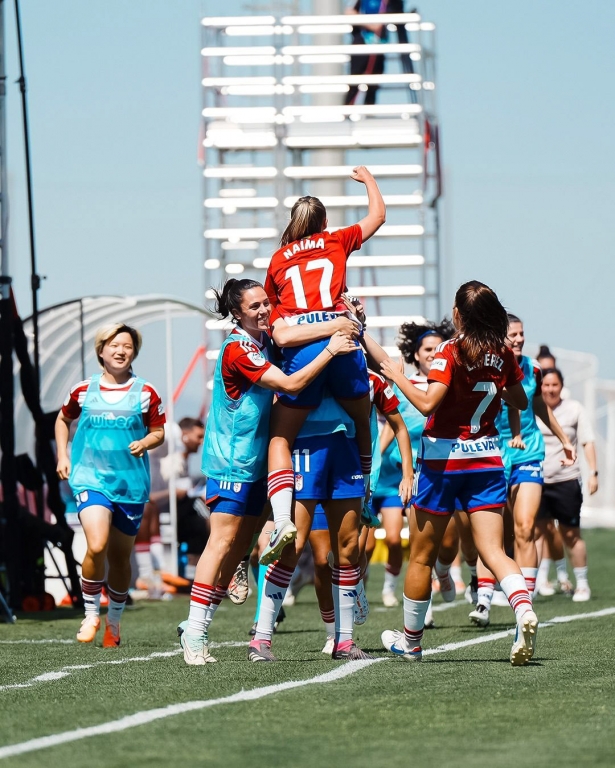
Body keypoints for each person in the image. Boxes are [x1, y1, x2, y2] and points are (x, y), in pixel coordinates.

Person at [177, 279, 356, 665]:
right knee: (221, 544)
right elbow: (291, 383)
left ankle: (198, 621)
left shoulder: (263, 341)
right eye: (254, 306)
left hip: (258, 464)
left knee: (239, 547)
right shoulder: (238, 348)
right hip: (231, 462)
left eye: (266, 303)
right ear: (237, 312)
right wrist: (331, 345)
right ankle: (194, 630)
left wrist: (344, 316)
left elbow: (290, 336)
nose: (263, 310)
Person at [380, 280, 540, 666]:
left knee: (421, 557)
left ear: (458, 316)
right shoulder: (503, 352)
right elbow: (519, 399)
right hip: (486, 459)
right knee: (494, 550)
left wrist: (396, 375)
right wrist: (502, 380)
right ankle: (523, 610)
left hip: (442, 463)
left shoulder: (450, 351)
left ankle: (412, 644)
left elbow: (427, 403)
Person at [261, 166, 386, 564]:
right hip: (341, 339)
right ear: (324, 222)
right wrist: (367, 179)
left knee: (281, 438)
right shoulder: (335, 239)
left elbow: (271, 319)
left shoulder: (279, 259)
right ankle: (365, 490)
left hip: (302, 346)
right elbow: (378, 216)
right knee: (363, 416)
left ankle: (281, 519)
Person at [248, 313, 383, 662]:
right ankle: (262, 637)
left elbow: (366, 418)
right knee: (294, 543)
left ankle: (344, 640)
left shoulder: (346, 320)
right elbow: (278, 348)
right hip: (305, 445)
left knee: (347, 546)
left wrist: (367, 474)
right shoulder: (288, 320)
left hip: (345, 448)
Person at [55, 323, 166, 646]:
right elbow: (63, 419)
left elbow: (159, 431)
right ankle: (90, 613)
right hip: (90, 479)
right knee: (97, 544)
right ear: (101, 350)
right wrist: (63, 455)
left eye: (127, 346)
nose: (121, 351)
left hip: (130, 485)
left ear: (134, 352)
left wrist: (146, 442)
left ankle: (113, 623)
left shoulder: (146, 392)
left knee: (119, 558)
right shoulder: (82, 390)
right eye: (114, 345)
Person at [471, 315, 575, 627]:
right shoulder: (484, 367)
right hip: (492, 451)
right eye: (513, 335)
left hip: (528, 450)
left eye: (521, 334)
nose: (518, 339)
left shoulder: (533, 367)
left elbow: (539, 407)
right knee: (493, 531)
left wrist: (564, 439)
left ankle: (525, 606)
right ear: (499, 337)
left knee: (525, 527)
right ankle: (484, 601)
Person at [372, 319, 453, 608]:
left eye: (437, 348)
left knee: (448, 543)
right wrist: (375, 458)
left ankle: (445, 572)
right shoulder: (404, 386)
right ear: (416, 354)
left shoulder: (450, 383)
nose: (433, 353)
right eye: (427, 349)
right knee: (419, 544)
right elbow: (390, 425)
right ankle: (423, 607)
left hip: (446, 471)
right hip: (408, 476)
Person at [537, 368, 597, 602]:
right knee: (537, 533)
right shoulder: (533, 409)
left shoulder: (574, 409)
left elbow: (587, 442)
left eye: (555, 385)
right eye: (546, 385)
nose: (550, 389)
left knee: (571, 534)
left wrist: (593, 473)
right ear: (540, 387)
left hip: (567, 481)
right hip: (537, 481)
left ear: (561, 387)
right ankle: (538, 581)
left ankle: (582, 584)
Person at [344, 0, 404, 106]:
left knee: (374, 84)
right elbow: (349, 12)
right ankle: (347, 110)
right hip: (361, 42)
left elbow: (394, 14)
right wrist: (371, 24)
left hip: (379, 47)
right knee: (354, 81)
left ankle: (369, 112)